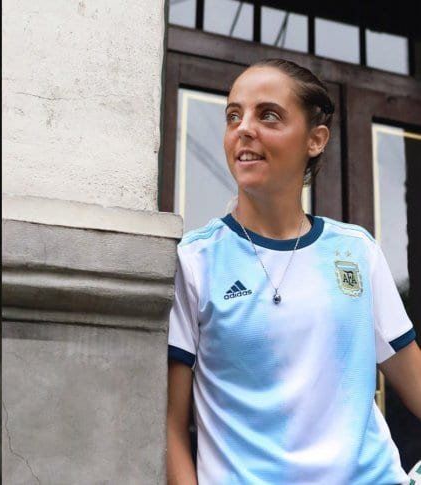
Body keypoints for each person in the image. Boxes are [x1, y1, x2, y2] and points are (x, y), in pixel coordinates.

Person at [166, 58, 421, 484]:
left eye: (268, 115)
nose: (243, 128)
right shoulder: (195, 262)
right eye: (234, 115)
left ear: (315, 140)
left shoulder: (355, 252)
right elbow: (170, 426)